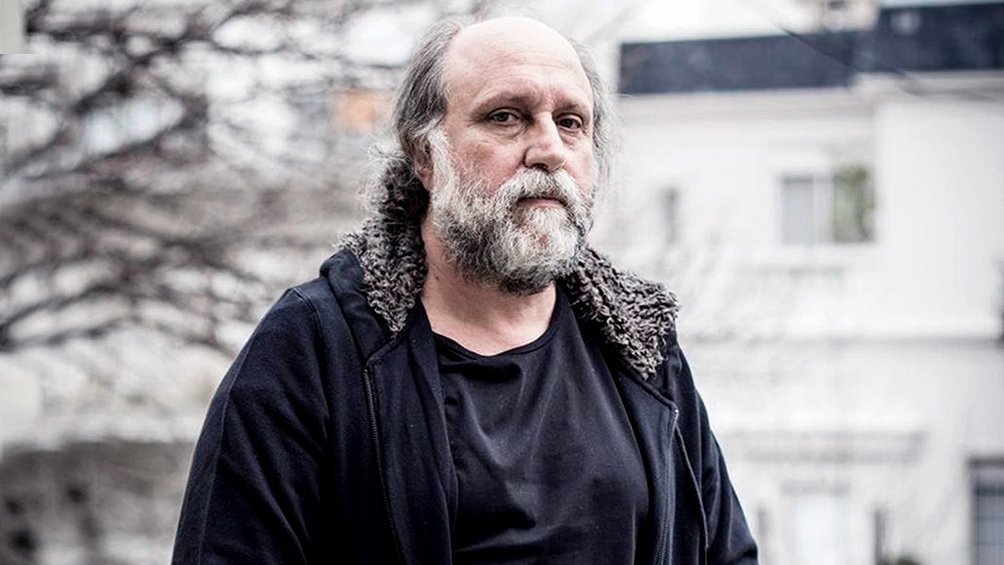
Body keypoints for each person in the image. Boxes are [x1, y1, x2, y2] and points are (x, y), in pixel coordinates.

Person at [172, 15, 758, 565]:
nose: (549, 149)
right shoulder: (317, 346)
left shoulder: (641, 347)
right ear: (424, 155)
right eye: (506, 116)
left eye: (571, 122)